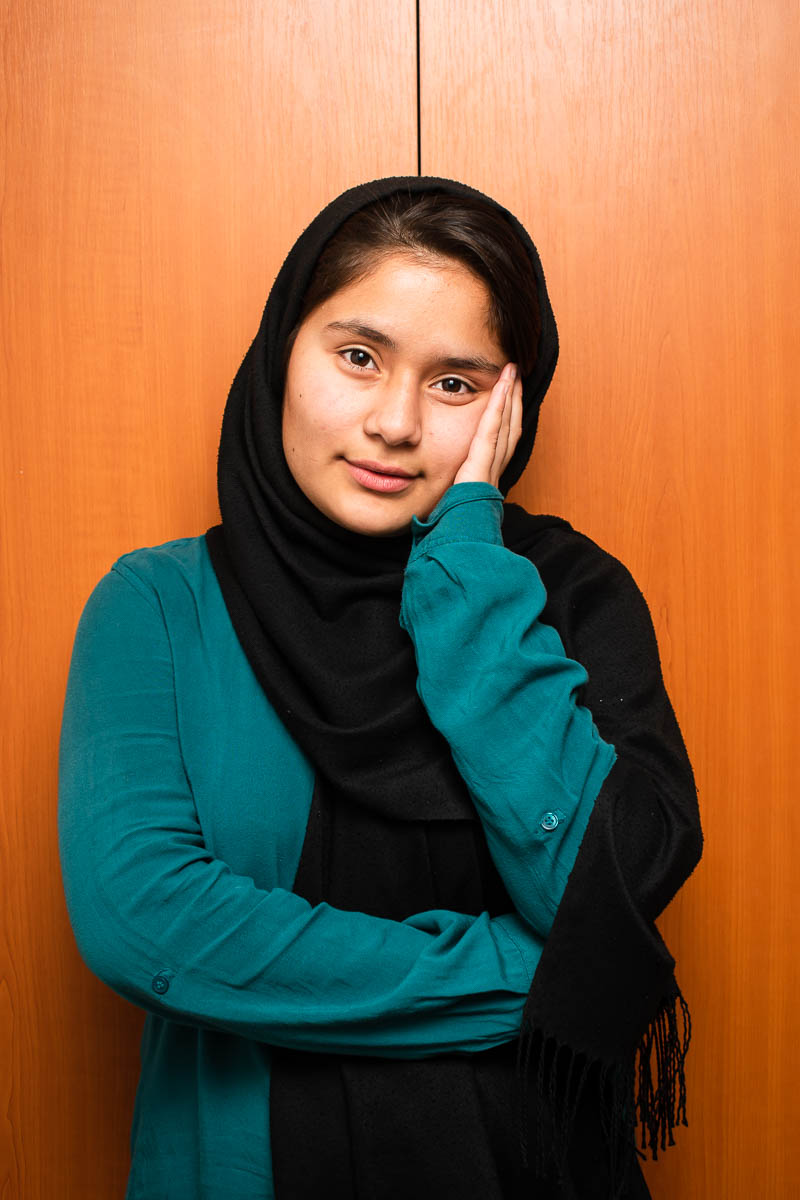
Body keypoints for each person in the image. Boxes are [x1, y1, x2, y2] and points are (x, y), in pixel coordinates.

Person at [58, 176, 702, 1199]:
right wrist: (535, 977)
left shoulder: (567, 595)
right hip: (246, 1171)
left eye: (454, 383)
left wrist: (465, 572)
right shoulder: (160, 605)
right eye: (356, 357)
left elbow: (603, 880)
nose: (394, 422)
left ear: (509, 402)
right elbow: (147, 921)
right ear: (282, 356)